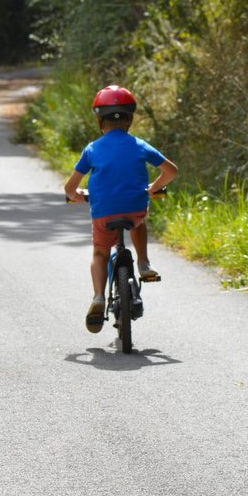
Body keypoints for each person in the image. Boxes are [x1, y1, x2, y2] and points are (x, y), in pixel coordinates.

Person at [63, 85, 178, 333]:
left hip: (103, 214)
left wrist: (78, 197)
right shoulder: (139, 145)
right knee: (138, 222)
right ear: (129, 120)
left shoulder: (92, 149)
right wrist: (152, 188)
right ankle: (144, 263)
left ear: (99, 122)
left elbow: (70, 188)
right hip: (134, 209)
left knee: (100, 253)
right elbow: (171, 171)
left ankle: (98, 297)